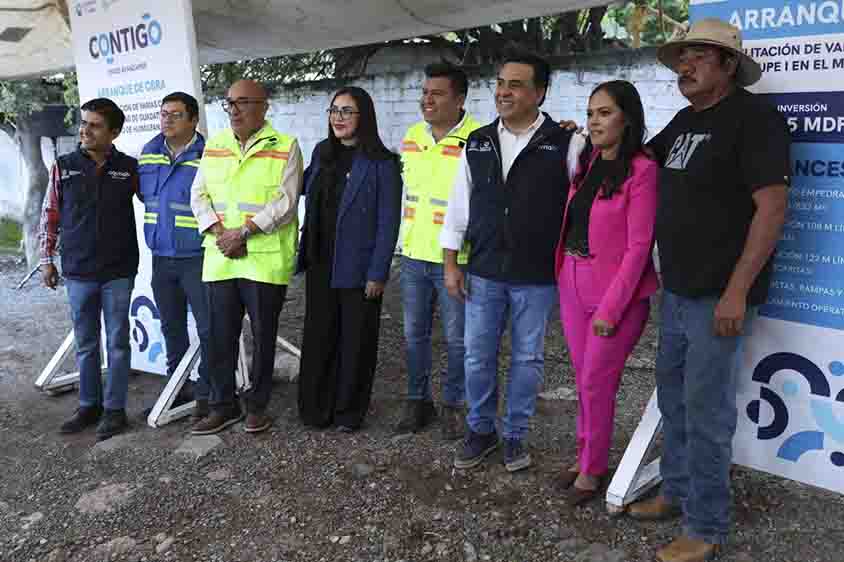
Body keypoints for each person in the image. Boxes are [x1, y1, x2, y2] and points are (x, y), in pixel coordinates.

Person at [624, 19, 790, 562]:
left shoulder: (754, 120)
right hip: (677, 290)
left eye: (697, 55)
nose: (684, 65)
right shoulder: (683, 122)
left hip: (718, 295)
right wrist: (591, 135)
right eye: (682, 57)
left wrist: (737, 290)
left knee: (706, 412)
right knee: (673, 398)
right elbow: (638, 163)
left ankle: (707, 526)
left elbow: (772, 209)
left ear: (728, 65)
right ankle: (676, 489)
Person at [440, 50, 584, 472]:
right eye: (500, 83)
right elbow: (458, 206)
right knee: (477, 356)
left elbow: (583, 204)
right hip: (484, 271)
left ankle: (516, 435)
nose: (504, 92)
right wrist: (451, 263)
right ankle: (480, 430)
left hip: (537, 276)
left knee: (527, 358)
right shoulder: (478, 141)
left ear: (540, 92)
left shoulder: (568, 143)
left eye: (516, 85)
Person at [553, 80, 659, 506]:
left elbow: (639, 247)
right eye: (591, 113)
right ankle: (585, 456)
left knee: (597, 382)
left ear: (627, 119)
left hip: (616, 296)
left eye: (605, 113)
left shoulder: (643, 169)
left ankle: (593, 468)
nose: (595, 121)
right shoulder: (589, 160)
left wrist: (612, 309)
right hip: (572, 282)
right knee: (583, 380)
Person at [190, 79, 304, 435]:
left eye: (243, 102)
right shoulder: (215, 145)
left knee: (263, 337)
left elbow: (285, 203)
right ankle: (222, 405)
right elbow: (198, 195)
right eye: (230, 103)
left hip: (264, 259)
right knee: (219, 336)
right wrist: (221, 233)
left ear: (264, 106)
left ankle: (257, 406)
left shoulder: (285, 146)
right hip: (221, 256)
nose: (234, 110)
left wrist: (243, 233)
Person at [296, 86, 402, 432]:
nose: (338, 118)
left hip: (359, 267)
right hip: (320, 261)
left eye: (347, 111)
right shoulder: (321, 153)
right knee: (319, 336)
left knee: (356, 341)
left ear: (364, 117)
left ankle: (348, 412)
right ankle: (316, 409)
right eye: (334, 110)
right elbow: (302, 191)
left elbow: (388, 223)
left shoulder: (383, 163)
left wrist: (378, 273)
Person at [39, 97, 139, 441]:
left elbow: (154, 201)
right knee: (86, 342)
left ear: (114, 132)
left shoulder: (129, 168)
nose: (85, 130)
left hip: (118, 270)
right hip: (78, 271)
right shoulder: (63, 166)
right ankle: (89, 405)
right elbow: (50, 214)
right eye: (84, 123)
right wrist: (46, 260)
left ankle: (115, 410)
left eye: (94, 125)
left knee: (118, 342)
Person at [395, 62, 481, 439]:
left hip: (456, 259)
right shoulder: (413, 136)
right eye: (425, 93)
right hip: (413, 254)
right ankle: (418, 401)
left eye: (437, 94)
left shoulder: (478, 138)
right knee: (414, 335)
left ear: (459, 100)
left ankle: (454, 405)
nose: (427, 100)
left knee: (458, 338)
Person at [138, 91, 210, 421]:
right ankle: (177, 387)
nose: (167, 119)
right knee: (171, 327)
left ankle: (209, 391)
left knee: (208, 327)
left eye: (175, 114)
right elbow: (145, 196)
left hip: (197, 256)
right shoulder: (149, 152)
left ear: (193, 120)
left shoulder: (209, 154)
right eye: (163, 113)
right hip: (161, 257)